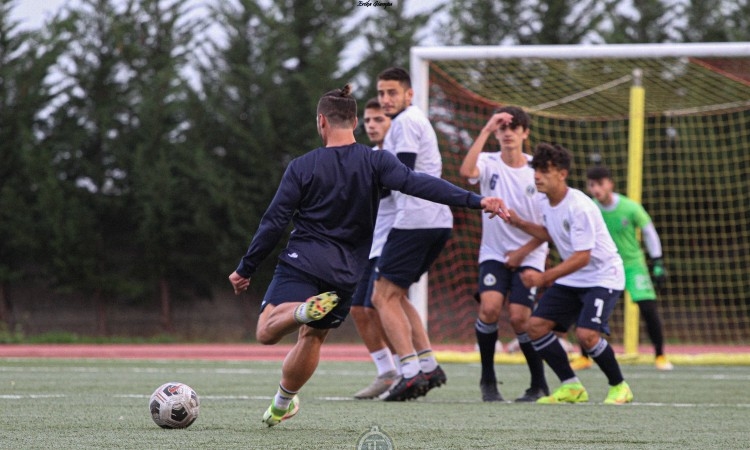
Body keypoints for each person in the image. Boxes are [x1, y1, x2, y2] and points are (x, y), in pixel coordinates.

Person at [228, 84, 505, 426]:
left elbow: (274, 221)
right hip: (345, 273)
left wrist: (246, 268)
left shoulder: (303, 166)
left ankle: (298, 311)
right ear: (356, 121)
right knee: (312, 336)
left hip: (304, 261)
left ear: (321, 122)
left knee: (267, 332)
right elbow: (422, 184)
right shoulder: (376, 161)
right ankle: (282, 403)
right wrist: (477, 200)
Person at [500, 143, 634, 405]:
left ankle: (620, 386)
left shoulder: (579, 206)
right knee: (535, 327)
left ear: (562, 174)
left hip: (603, 275)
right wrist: (520, 226)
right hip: (575, 276)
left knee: (586, 335)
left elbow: (583, 256)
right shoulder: (544, 200)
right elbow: (551, 234)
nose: (537, 175)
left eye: (544, 170)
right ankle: (571, 386)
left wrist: (543, 278)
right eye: (536, 169)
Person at [371, 67, 453, 401]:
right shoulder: (411, 120)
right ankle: (429, 365)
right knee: (397, 295)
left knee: (381, 297)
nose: (386, 99)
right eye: (381, 93)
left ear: (409, 94)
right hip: (434, 220)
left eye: (392, 92)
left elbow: (397, 176)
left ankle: (408, 372)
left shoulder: (405, 122)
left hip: (416, 220)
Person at [458, 107, 549, 402]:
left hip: (531, 255)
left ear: (525, 133)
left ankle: (538, 383)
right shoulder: (487, 161)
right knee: (489, 308)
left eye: (515, 127)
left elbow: (549, 229)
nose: (508, 132)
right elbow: (466, 172)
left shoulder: (538, 170)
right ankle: (488, 380)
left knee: (521, 319)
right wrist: (485, 129)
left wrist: (523, 252)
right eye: (502, 127)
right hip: (494, 253)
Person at [568, 165, 672, 371]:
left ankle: (660, 355)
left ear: (610, 184)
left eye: (600, 184)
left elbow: (649, 232)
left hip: (632, 265)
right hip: (601, 266)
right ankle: (584, 357)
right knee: (586, 306)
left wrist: (657, 261)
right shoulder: (590, 208)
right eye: (591, 185)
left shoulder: (630, 207)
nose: (596, 189)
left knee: (648, 308)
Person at [350, 98, 400, 399]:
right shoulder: (368, 156)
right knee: (358, 308)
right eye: (367, 120)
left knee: (382, 306)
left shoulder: (395, 157)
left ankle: (410, 369)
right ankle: (387, 372)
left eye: (379, 119)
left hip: (394, 243)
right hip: (370, 245)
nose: (372, 125)